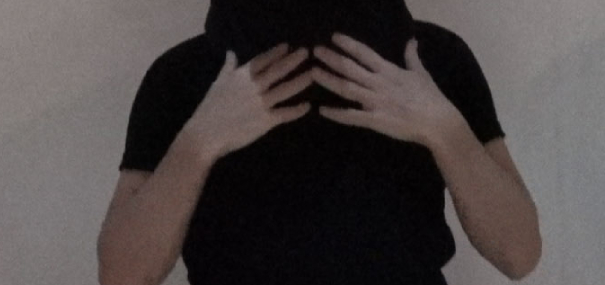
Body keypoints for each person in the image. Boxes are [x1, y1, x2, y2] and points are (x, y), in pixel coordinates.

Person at [96, 29, 541, 285]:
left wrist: (443, 127)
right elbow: (122, 275)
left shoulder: (430, 59)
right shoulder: (183, 74)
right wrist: (200, 141)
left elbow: (519, 253)